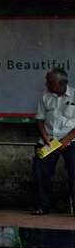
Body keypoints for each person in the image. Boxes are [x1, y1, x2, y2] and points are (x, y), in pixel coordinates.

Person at [32, 67, 75, 215]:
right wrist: (45, 138)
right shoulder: (45, 97)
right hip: (49, 140)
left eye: (49, 82)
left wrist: (66, 140)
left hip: (71, 140)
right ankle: (43, 206)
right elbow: (39, 120)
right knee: (39, 168)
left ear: (60, 84)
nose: (46, 84)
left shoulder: (74, 95)